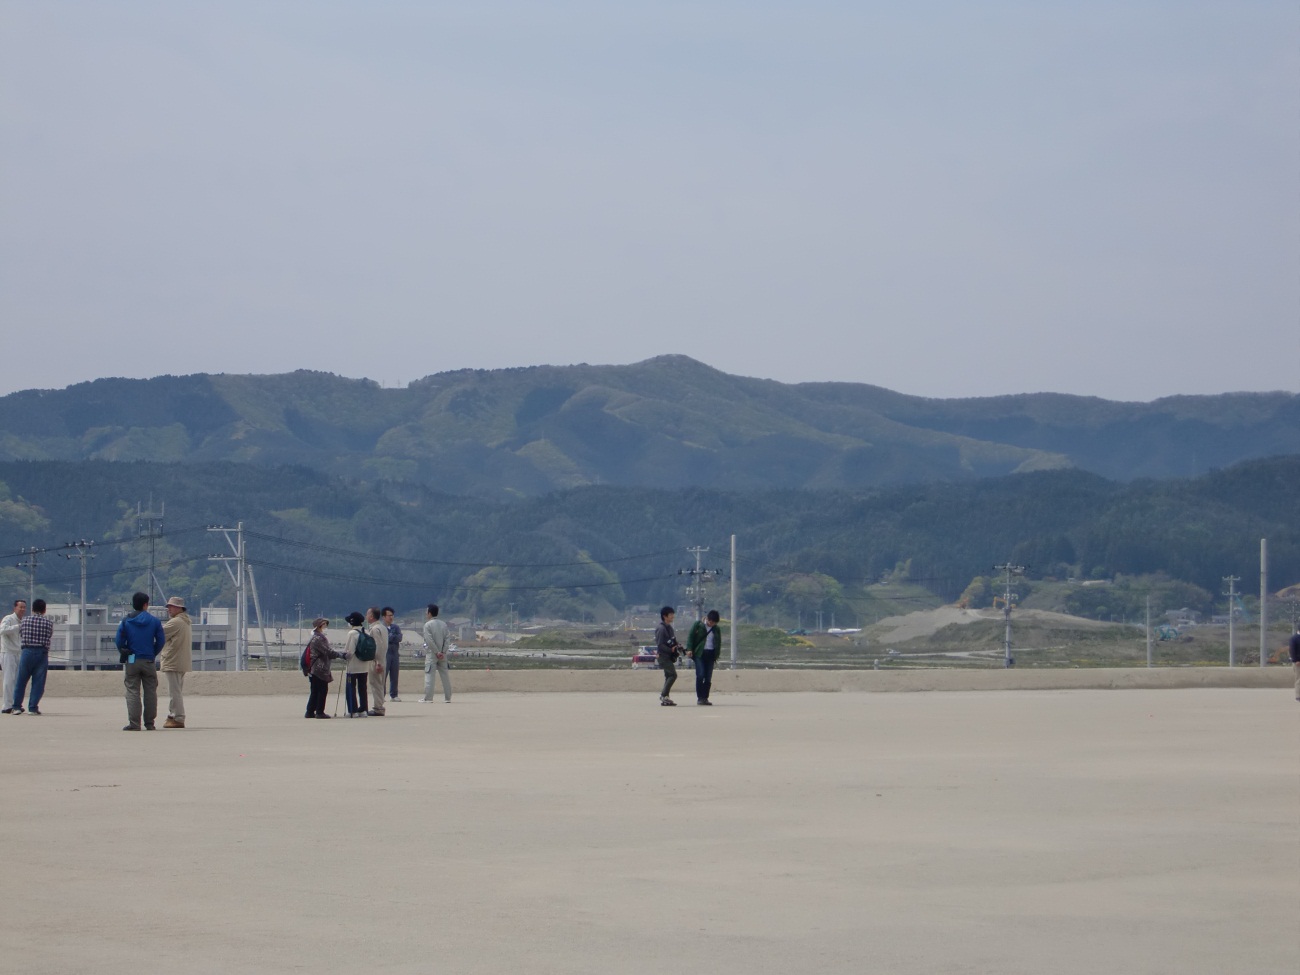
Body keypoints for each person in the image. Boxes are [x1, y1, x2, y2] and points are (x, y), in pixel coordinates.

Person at [116, 591, 166, 731]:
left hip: (132, 658)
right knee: (150, 691)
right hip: (148, 659)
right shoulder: (155, 621)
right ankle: (149, 723)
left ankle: (134, 723)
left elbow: (119, 640)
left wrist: (124, 651)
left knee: (132, 690)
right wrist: (152, 653)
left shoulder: (126, 621)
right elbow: (161, 641)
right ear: (146, 604)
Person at [10, 597, 53, 715]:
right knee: (38, 682)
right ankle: (33, 707)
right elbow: (49, 636)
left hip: (27, 652)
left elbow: (21, 633)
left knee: (21, 681)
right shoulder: (48, 623)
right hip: (42, 653)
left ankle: (17, 707)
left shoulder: (24, 621)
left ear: (33, 609)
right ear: (44, 610)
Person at [159, 596, 192, 729]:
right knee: (176, 690)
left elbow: (160, 634)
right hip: (181, 661)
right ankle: (173, 715)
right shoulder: (186, 621)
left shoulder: (176, 622)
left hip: (173, 660)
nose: (169, 609)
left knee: (174, 692)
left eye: (171, 607)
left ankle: (178, 717)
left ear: (179, 608)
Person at [305, 618, 345, 719]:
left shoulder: (314, 637)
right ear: (319, 626)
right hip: (320, 669)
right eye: (324, 625)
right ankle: (319, 711)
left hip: (314, 668)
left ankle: (310, 711)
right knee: (322, 690)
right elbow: (328, 652)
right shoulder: (319, 638)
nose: (326, 627)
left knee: (315, 690)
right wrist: (342, 655)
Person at [687, 609, 723, 705]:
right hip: (700, 653)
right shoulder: (698, 625)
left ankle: (705, 698)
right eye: (711, 622)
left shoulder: (716, 629)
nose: (712, 624)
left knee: (708, 677)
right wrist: (689, 649)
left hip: (710, 654)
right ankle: (700, 698)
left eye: (714, 623)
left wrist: (717, 654)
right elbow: (690, 637)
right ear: (707, 619)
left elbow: (718, 642)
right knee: (700, 675)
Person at [420, 603, 452, 703]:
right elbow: (447, 639)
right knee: (445, 676)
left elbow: (429, 640)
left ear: (429, 613)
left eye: (426, 612)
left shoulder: (427, 625)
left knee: (429, 675)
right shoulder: (444, 624)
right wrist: (443, 651)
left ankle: (428, 698)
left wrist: (436, 652)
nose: (426, 614)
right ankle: (448, 698)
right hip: (443, 654)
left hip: (432, 654)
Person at [342, 611, 371, 717]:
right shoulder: (366, 632)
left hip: (353, 666)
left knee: (351, 687)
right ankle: (363, 710)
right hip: (364, 665)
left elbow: (349, 651)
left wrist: (343, 656)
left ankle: (352, 710)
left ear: (352, 622)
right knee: (363, 688)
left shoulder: (352, 633)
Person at [1, 599, 26, 714]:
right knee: (8, 679)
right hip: (8, 652)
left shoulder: (23, 621)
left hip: (18, 652)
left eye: (24, 607)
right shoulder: (8, 618)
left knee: (17, 680)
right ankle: (7, 705)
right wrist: (17, 627)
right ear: (15, 608)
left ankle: (16, 704)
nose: (22, 609)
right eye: (20, 607)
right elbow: (2, 630)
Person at [655, 605, 683, 706]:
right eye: (670, 615)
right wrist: (670, 650)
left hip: (668, 656)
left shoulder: (669, 628)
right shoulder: (661, 629)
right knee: (672, 675)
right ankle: (663, 695)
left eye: (672, 614)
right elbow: (660, 645)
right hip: (663, 656)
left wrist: (678, 647)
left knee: (668, 676)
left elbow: (673, 641)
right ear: (664, 616)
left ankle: (665, 697)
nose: (672, 616)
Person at [365, 607, 388, 716]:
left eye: (367, 614)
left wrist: (378, 662)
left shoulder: (374, 629)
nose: (366, 616)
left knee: (376, 684)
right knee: (380, 683)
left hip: (376, 661)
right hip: (383, 659)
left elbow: (378, 646)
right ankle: (379, 705)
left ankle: (378, 708)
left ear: (371, 616)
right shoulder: (382, 627)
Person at [382, 606, 402, 701]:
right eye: (389, 615)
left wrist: (391, 637)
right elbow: (385, 639)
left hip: (395, 653)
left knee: (394, 675)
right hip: (385, 654)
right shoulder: (381, 627)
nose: (391, 617)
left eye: (392, 615)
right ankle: (381, 695)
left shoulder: (396, 627)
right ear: (384, 617)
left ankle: (394, 695)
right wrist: (392, 637)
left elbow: (399, 638)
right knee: (383, 675)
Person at [1290, 626, 1300, 702]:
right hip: (1298, 662)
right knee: (1299, 679)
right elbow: (1292, 650)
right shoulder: (1294, 638)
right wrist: (1296, 660)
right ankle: (1298, 696)